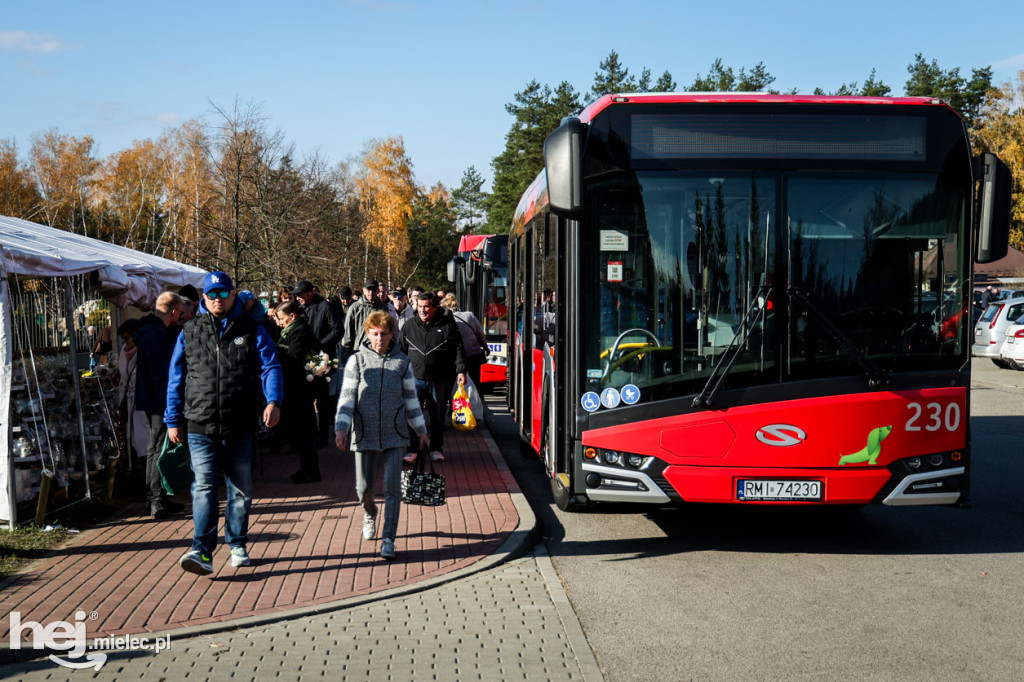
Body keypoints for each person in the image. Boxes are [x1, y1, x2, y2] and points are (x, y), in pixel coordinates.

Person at [165, 271, 283, 576]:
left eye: (223, 293)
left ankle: (237, 543)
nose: (218, 299)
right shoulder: (190, 331)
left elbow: (271, 365)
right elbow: (176, 378)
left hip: (240, 423)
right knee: (204, 487)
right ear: (204, 298)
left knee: (240, 489)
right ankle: (201, 550)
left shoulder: (253, 329)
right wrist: (172, 419)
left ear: (234, 295)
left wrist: (273, 401)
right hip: (200, 423)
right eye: (212, 294)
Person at [335, 311, 429, 561]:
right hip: (364, 431)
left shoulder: (402, 362)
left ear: (391, 335)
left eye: (384, 334)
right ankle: (369, 513)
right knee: (363, 488)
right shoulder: (357, 361)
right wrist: (341, 428)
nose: (379, 339)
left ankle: (389, 539)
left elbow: (411, 399)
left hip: (395, 431)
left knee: (392, 489)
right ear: (367, 334)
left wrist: (421, 430)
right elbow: (347, 397)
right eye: (374, 334)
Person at [134, 291, 189, 519]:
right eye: (180, 313)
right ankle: (156, 498)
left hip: (155, 399)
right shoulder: (156, 335)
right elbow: (160, 374)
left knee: (155, 448)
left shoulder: (151, 332)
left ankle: (156, 497)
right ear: (174, 311)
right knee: (158, 448)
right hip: (159, 401)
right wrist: (170, 406)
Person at [398, 292, 466, 463]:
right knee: (414, 414)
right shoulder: (409, 326)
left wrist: (461, 371)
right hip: (415, 378)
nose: (423, 310)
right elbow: (401, 350)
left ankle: (436, 448)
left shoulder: (448, 325)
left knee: (437, 414)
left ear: (435, 307)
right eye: (420, 307)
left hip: (440, 378)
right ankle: (413, 450)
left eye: (427, 306)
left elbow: (458, 348)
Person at [290, 279, 344, 447]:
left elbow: (338, 329)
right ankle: (309, 434)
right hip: (304, 358)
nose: (297, 298)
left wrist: (321, 344)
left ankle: (322, 436)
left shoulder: (325, 307)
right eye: (296, 295)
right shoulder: (299, 308)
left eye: (300, 295)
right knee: (306, 399)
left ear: (310, 292)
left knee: (322, 399)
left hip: (321, 359)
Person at [275, 300, 322, 483]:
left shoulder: (299, 332)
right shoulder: (291, 331)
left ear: (292, 316)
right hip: (295, 388)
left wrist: (278, 354)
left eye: (281, 318)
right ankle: (305, 468)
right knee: (299, 433)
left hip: (300, 390)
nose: (278, 322)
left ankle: (311, 470)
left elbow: (293, 359)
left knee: (305, 432)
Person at [115, 319, 149, 460]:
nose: (124, 342)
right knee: (133, 440)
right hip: (129, 402)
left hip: (143, 404)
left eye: (126, 338)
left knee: (145, 440)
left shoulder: (146, 352)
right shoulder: (124, 352)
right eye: (122, 338)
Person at [440, 294, 488, 389]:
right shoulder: (469, 315)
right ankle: (474, 403)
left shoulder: (444, 319)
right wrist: (485, 347)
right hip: (473, 355)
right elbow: (480, 334)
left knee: (455, 386)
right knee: (474, 385)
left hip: (454, 359)